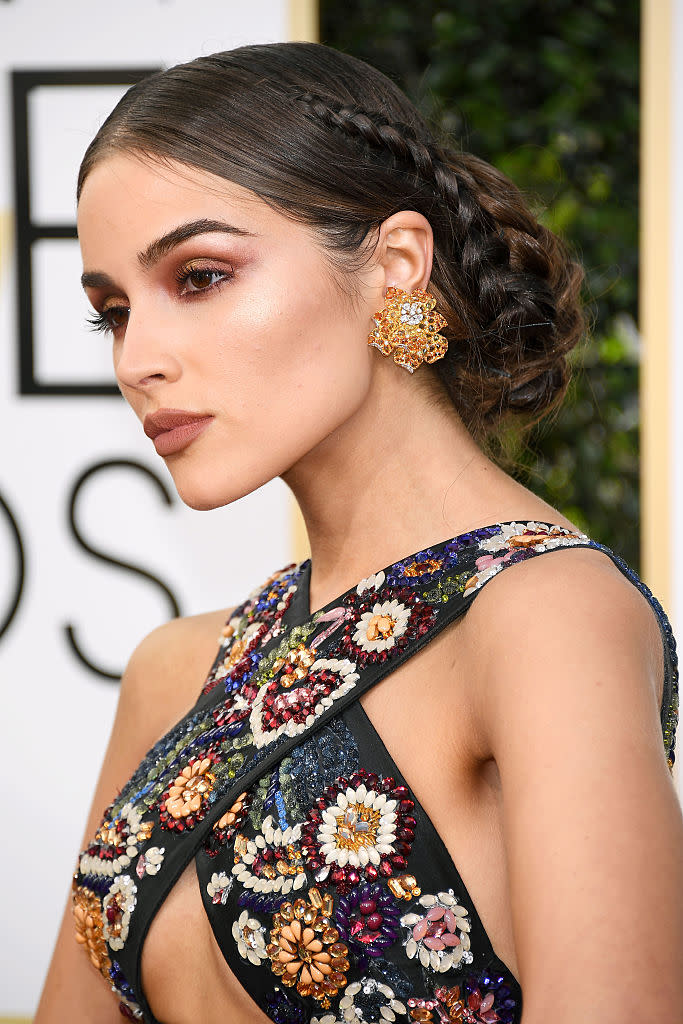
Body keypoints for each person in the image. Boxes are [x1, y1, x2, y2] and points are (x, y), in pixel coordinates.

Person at [35, 40, 681, 1024]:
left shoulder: (544, 618)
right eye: (113, 312)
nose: (139, 358)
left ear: (393, 266)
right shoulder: (171, 673)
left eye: (200, 276)